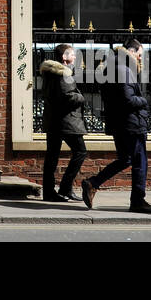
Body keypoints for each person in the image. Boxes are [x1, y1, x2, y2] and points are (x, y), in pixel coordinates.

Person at [82, 38, 151, 213]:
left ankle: (93, 183)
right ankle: (138, 201)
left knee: (126, 159)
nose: (140, 59)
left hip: (120, 123)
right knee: (140, 162)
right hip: (131, 123)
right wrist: (145, 101)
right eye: (140, 55)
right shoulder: (123, 69)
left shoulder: (114, 67)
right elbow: (127, 99)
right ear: (131, 52)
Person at [40, 43, 87, 202]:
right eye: (72, 54)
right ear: (64, 57)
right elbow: (68, 97)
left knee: (52, 156)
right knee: (80, 152)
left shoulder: (50, 73)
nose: (74, 57)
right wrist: (81, 97)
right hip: (66, 121)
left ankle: (48, 192)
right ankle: (65, 187)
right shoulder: (62, 74)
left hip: (53, 121)